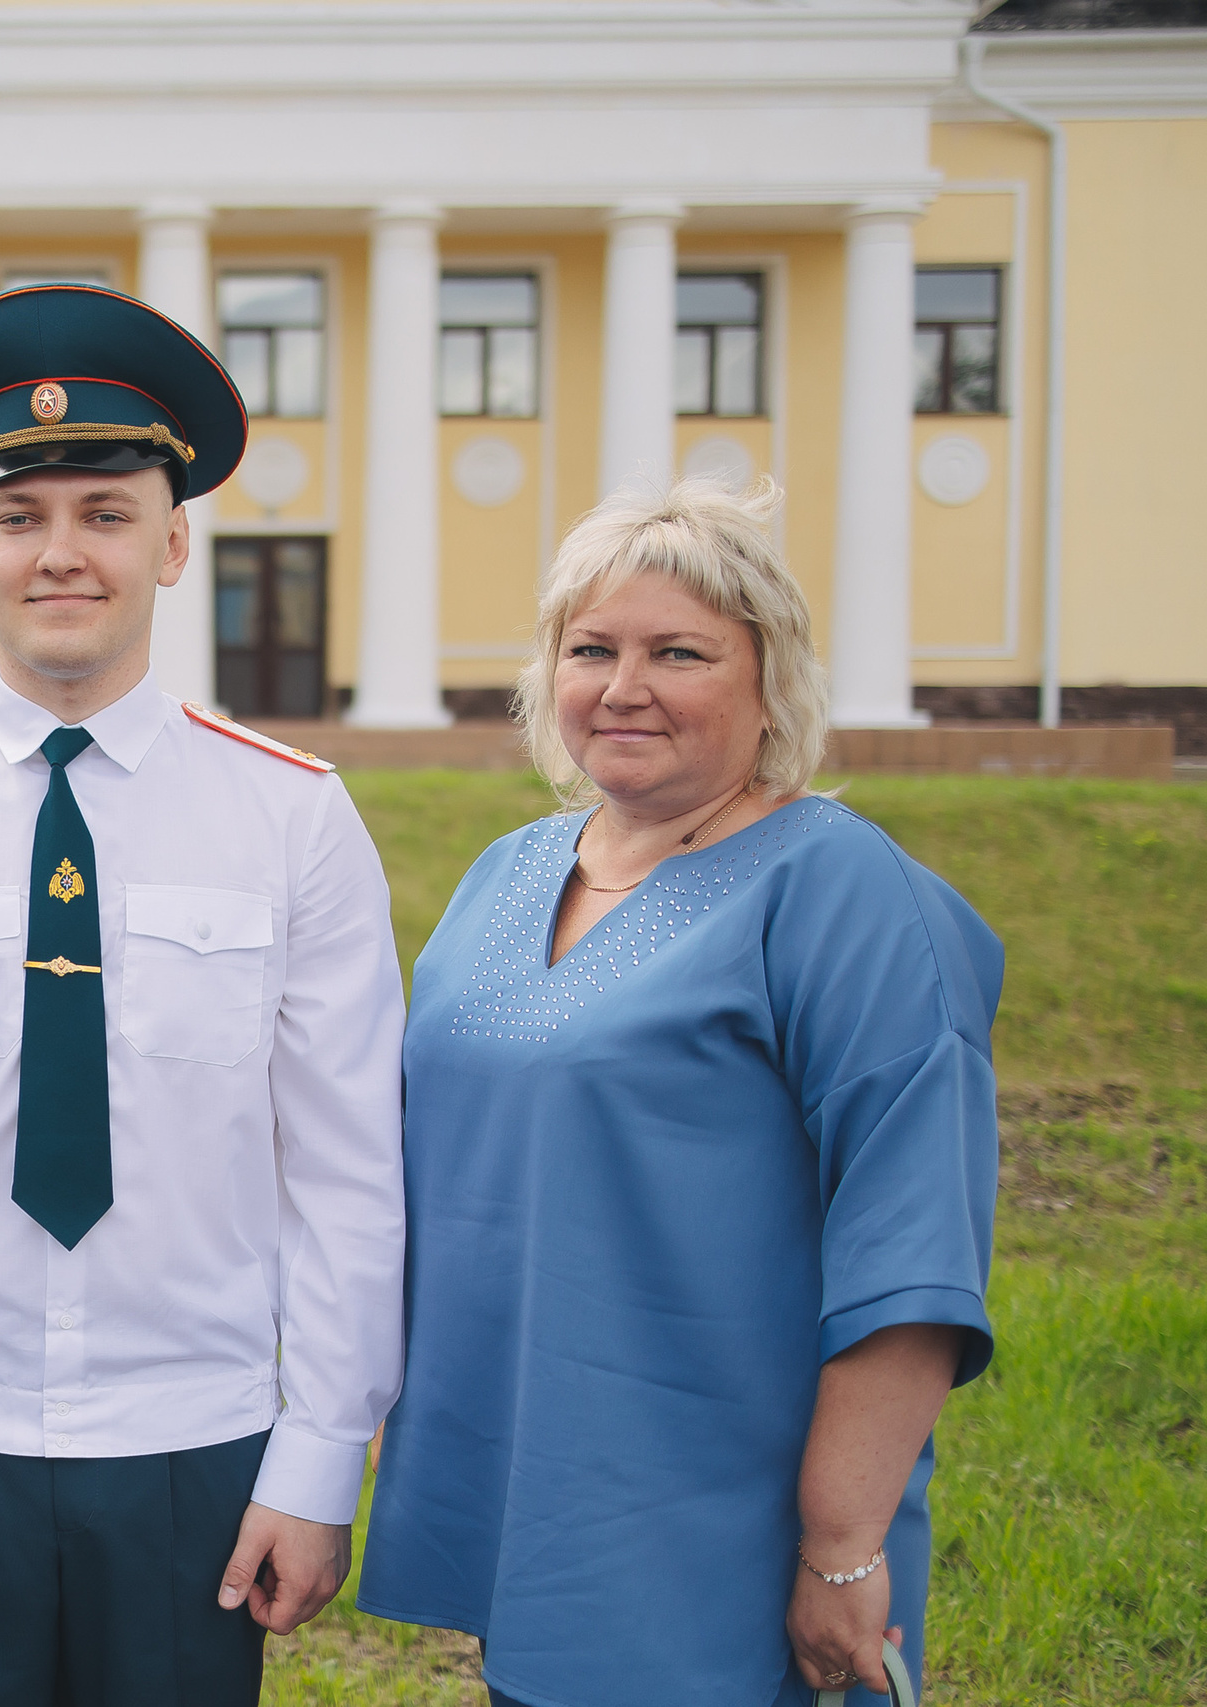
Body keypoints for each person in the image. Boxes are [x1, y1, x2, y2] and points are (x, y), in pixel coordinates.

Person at [0, 283, 409, 1706]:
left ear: (173, 544)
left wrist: (316, 1451)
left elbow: (350, 1169)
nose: (63, 552)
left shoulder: (293, 820)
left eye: (105, 512)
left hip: (199, 1447)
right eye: (24, 514)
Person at [356, 479, 1001, 1707]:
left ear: (771, 681)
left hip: (719, 1528)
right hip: (533, 1495)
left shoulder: (842, 892)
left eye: (679, 651)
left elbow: (910, 1245)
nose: (622, 685)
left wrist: (839, 1542)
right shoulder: (511, 870)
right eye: (589, 648)